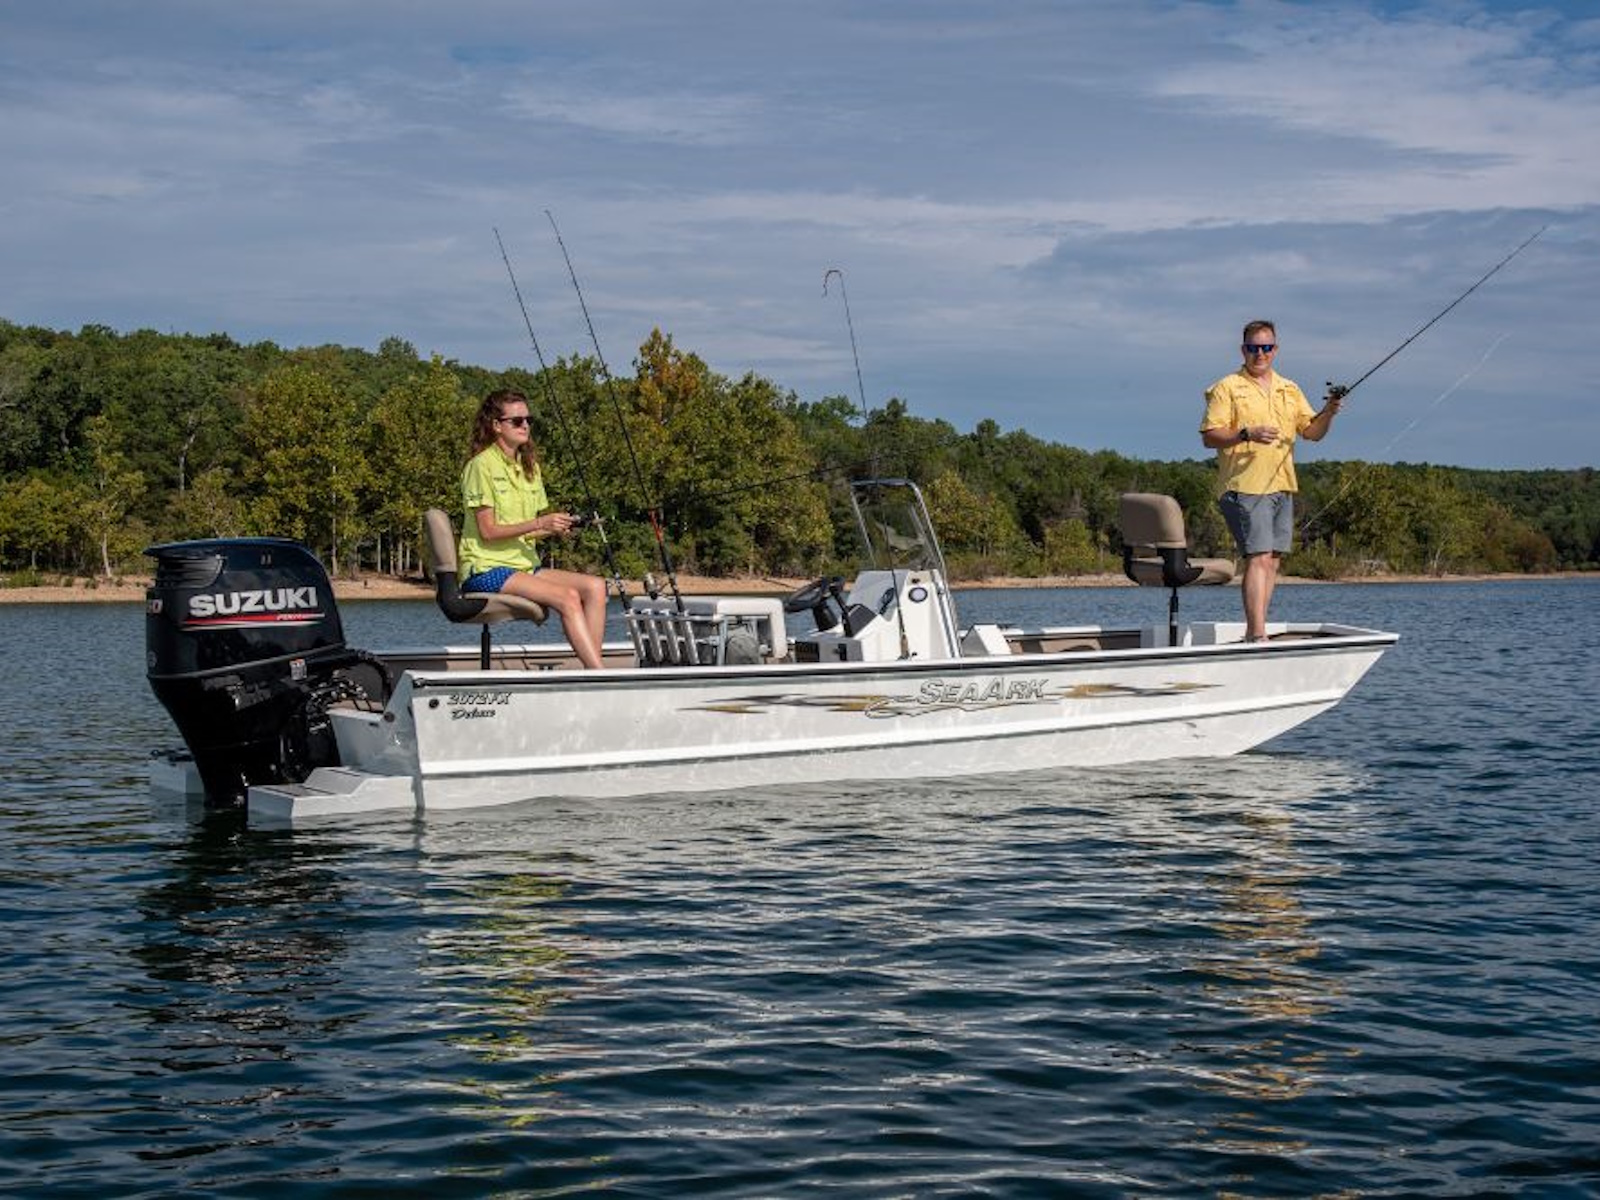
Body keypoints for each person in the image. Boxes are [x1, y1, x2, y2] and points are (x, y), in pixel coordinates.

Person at [1200, 320, 1342, 642]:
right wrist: (1246, 433)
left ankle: (1258, 629)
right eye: (1253, 348)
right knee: (1259, 557)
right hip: (1244, 486)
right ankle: (1257, 634)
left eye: (1266, 347)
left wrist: (1329, 411)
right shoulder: (1227, 387)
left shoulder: (1289, 389)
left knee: (1273, 561)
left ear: (1275, 350)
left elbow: (1312, 432)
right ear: (1243, 350)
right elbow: (1209, 437)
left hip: (1282, 485)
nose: (1260, 354)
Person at [458, 389, 610, 669]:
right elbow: (488, 532)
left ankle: (592, 671)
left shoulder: (530, 468)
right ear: (496, 426)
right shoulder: (480, 466)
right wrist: (541, 522)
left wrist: (554, 527)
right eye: (517, 421)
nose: (525, 425)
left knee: (596, 587)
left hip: (524, 566)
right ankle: (599, 675)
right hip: (485, 569)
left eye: (529, 420)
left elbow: (525, 531)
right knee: (568, 597)